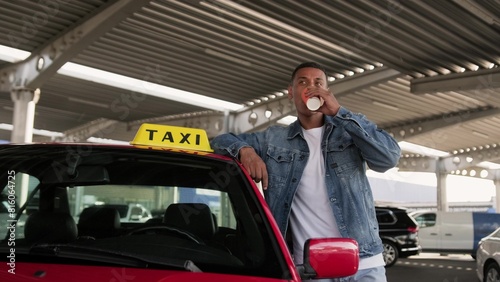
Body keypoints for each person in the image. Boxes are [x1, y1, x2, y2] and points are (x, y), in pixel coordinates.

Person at [210, 62, 401, 282]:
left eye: (318, 82)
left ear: (327, 92)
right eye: (303, 82)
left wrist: (339, 113)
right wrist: (245, 151)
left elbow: (389, 157)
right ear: (291, 92)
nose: (311, 87)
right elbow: (220, 140)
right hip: (311, 269)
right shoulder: (273, 140)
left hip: (364, 264)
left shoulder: (349, 132)